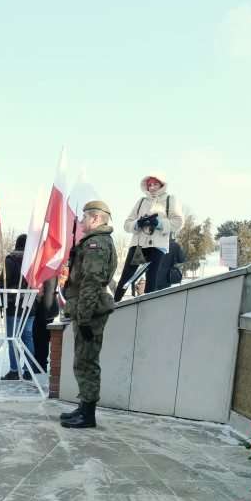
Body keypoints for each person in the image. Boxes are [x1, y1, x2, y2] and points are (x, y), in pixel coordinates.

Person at [61, 200, 118, 430]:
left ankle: (88, 414)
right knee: (83, 360)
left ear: (96, 218)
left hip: (90, 313)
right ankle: (84, 407)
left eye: (84, 217)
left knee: (86, 361)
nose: (81, 221)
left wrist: (83, 318)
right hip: (88, 311)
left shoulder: (96, 244)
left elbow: (91, 282)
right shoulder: (95, 242)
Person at [118, 174, 183, 298]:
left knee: (152, 280)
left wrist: (159, 224)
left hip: (157, 246)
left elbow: (178, 222)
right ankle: (115, 306)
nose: (152, 187)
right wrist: (137, 223)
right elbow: (127, 224)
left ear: (161, 185)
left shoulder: (170, 199)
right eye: (150, 185)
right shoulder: (141, 201)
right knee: (126, 277)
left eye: (155, 184)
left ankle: (149, 311)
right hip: (138, 245)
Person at [0, 234, 35, 381]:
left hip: (13, 306)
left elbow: (3, 283)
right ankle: (28, 370)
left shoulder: (10, 260)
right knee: (27, 337)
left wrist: (0, 303)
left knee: (12, 338)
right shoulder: (33, 261)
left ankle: (14, 369)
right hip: (29, 306)